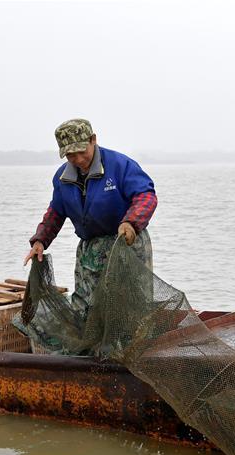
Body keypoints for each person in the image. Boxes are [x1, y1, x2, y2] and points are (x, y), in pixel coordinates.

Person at [24, 119, 157, 321]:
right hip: (90, 249)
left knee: (130, 306)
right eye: (70, 154)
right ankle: (91, 350)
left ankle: (129, 350)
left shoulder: (120, 165)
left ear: (93, 140)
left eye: (80, 151)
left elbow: (146, 196)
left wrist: (131, 222)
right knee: (85, 307)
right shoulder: (62, 177)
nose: (77, 159)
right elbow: (56, 212)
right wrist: (40, 240)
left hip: (126, 243)